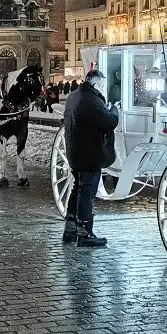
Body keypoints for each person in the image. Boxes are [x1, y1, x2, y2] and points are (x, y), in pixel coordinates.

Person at [62, 69, 119, 248]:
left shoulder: (74, 96)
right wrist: (115, 110)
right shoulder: (91, 100)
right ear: (95, 83)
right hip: (89, 153)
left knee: (77, 189)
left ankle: (70, 229)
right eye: (101, 85)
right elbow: (109, 121)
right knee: (87, 192)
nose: (102, 88)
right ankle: (85, 233)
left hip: (75, 152)